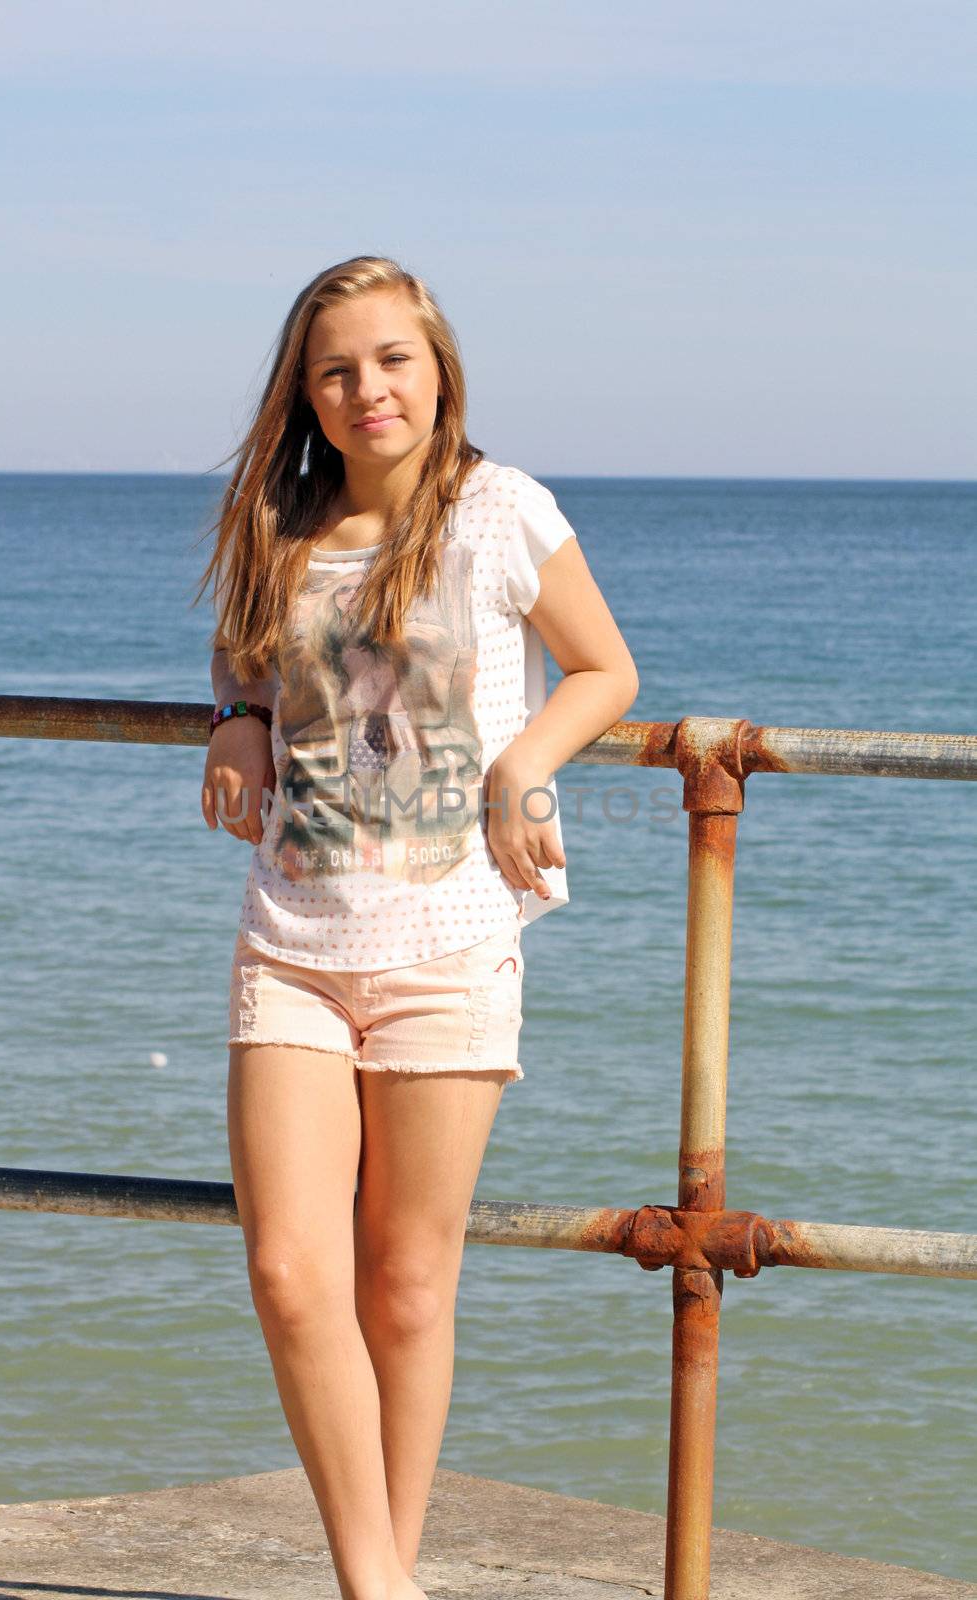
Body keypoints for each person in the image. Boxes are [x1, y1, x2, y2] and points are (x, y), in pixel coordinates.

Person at [194, 255, 638, 1600]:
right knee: (286, 1273)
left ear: (440, 370)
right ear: (306, 395)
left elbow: (607, 669)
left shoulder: (501, 512)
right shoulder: (280, 525)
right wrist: (237, 716)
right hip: (293, 945)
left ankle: (382, 1579)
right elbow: (241, 647)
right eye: (336, 369)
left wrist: (522, 768)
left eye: (392, 359)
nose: (367, 388)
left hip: (448, 947)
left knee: (403, 1288)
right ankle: (376, 1580)